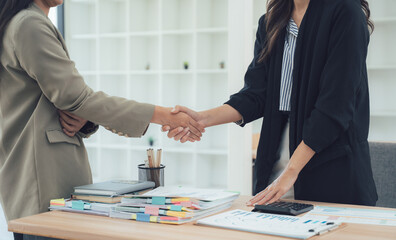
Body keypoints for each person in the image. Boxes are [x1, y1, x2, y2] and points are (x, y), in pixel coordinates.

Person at [0, 0, 204, 234]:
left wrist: (86, 119)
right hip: (43, 180)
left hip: (37, 177)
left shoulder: (22, 22)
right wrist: (162, 115)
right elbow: (75, 97)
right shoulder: (29, 24)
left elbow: (60, 102)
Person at [164, 0, 378, 207]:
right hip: (276, 176)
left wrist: (291, 172)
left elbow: (334, 107)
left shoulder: (345, 12)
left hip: (331, 177)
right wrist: (201, 119)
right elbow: (256, 95)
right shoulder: (271, 21)